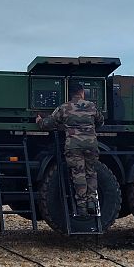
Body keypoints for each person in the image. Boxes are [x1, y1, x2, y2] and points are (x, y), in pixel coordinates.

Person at [36, 82, 105, 218]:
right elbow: (100, 122)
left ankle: (81, 207)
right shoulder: (91, 106)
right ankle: (92, 201)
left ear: (70, 94)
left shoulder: (64, 107)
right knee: (91, 172)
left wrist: (39, 120)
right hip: (91, 144)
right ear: (82, 92)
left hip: (74, 145)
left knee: (78, 173)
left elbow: (47, 124)